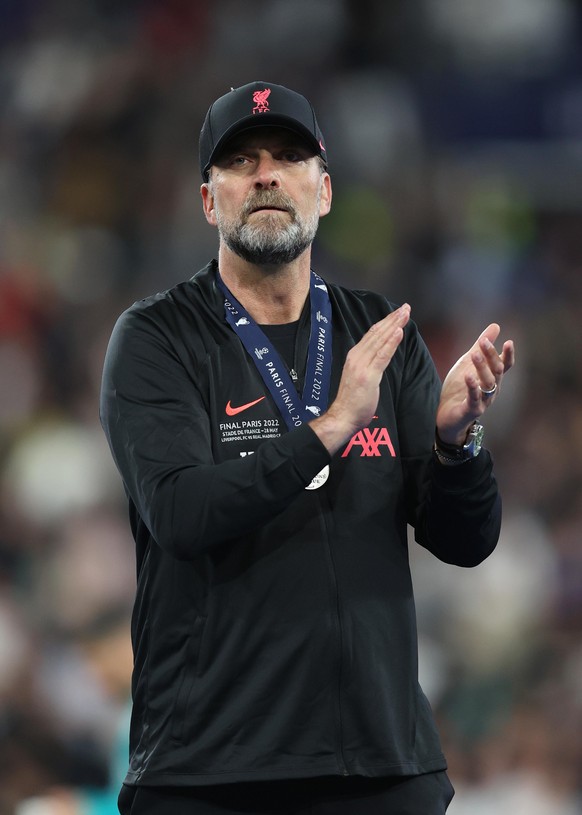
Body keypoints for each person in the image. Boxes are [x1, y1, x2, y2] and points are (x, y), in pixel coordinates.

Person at [100, 81, 515, 815]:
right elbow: (180, 510)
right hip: (209, 772)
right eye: (241, 161)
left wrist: (459, 444)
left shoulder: (378, 330)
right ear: (208, 200)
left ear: (323, 191)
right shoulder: (157, 337)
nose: (266, 174)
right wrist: (327, 429)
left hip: (382, 766)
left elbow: (465, 539)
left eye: (290, 156)